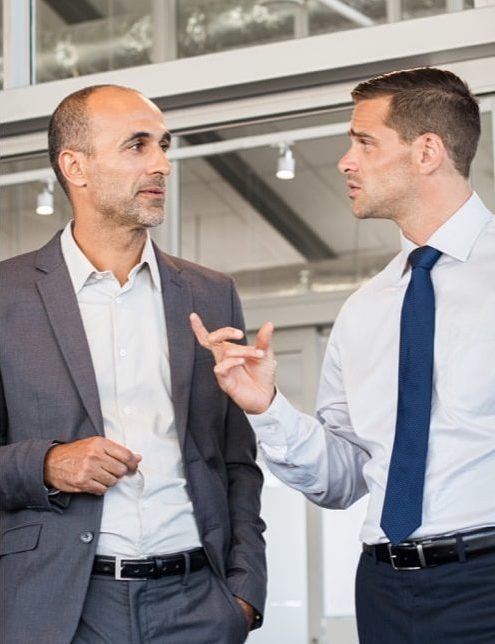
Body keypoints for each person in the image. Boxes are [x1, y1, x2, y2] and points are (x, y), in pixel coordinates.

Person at [190, 67, 495, 644]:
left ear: (427, 150)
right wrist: (268, 408)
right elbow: (344, 478)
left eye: (364, 141)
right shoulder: (365, 309)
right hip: (383, 589)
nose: (345, 162)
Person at [0, 84, 266, 644]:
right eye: (137, 145)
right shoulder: (7, 294)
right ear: (76, 166)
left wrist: (243, 593)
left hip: (200, 604)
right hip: (60, 610)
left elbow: (237, 462)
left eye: (163, 145)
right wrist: (45, 464)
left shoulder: (211, 293)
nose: (162, 164)